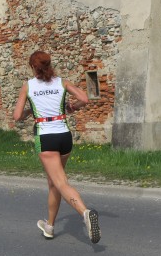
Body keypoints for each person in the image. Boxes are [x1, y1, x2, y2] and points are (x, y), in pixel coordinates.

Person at [13, 50, 100, 244]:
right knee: (54, 182)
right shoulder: (62, 82)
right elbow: (85, 99)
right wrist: (72, 107)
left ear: (32, 67)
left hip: (46, 136)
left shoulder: (28, 86)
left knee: (60, 182)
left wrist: (28, 110)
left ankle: (84, 213)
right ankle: (50, 226)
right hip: (64, 135)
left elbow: (17, 116)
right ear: (49, 64)